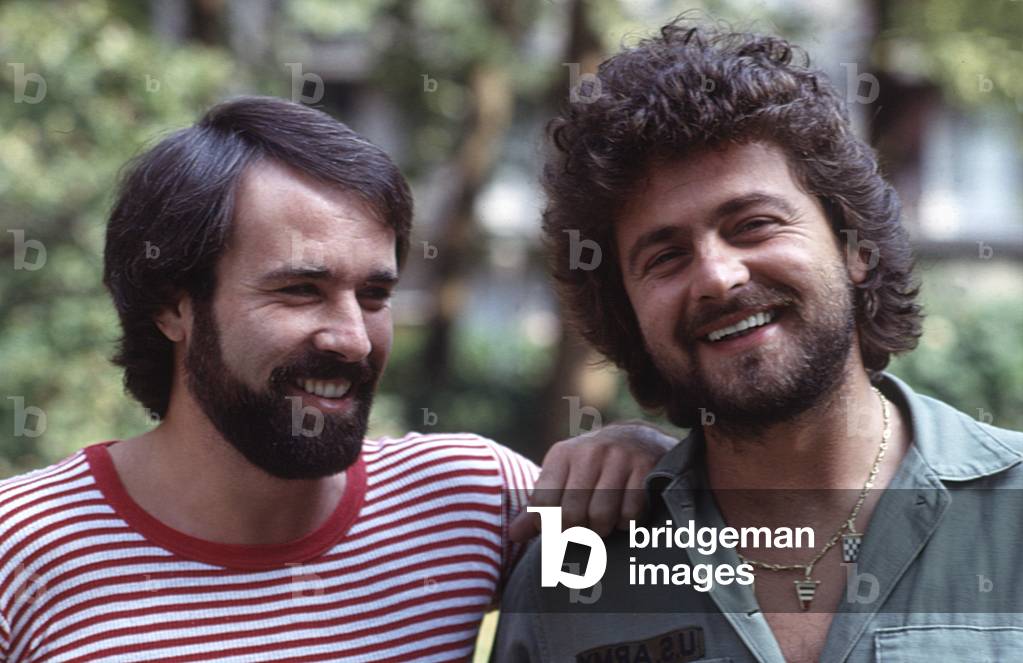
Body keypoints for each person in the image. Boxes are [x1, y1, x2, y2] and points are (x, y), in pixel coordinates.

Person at [0, 96, 676, 662]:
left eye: (375, 295)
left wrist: (641, 452)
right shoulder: (20, 549)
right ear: (174, 305)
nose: (352, 337)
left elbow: (702, 583)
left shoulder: (470, 498)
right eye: (299, 289)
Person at [494, 20, 1023, 663]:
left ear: (854, 246)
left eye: (753, 224)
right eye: (664, 257)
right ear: (629, 313)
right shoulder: (575, 567)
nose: (717, 276)